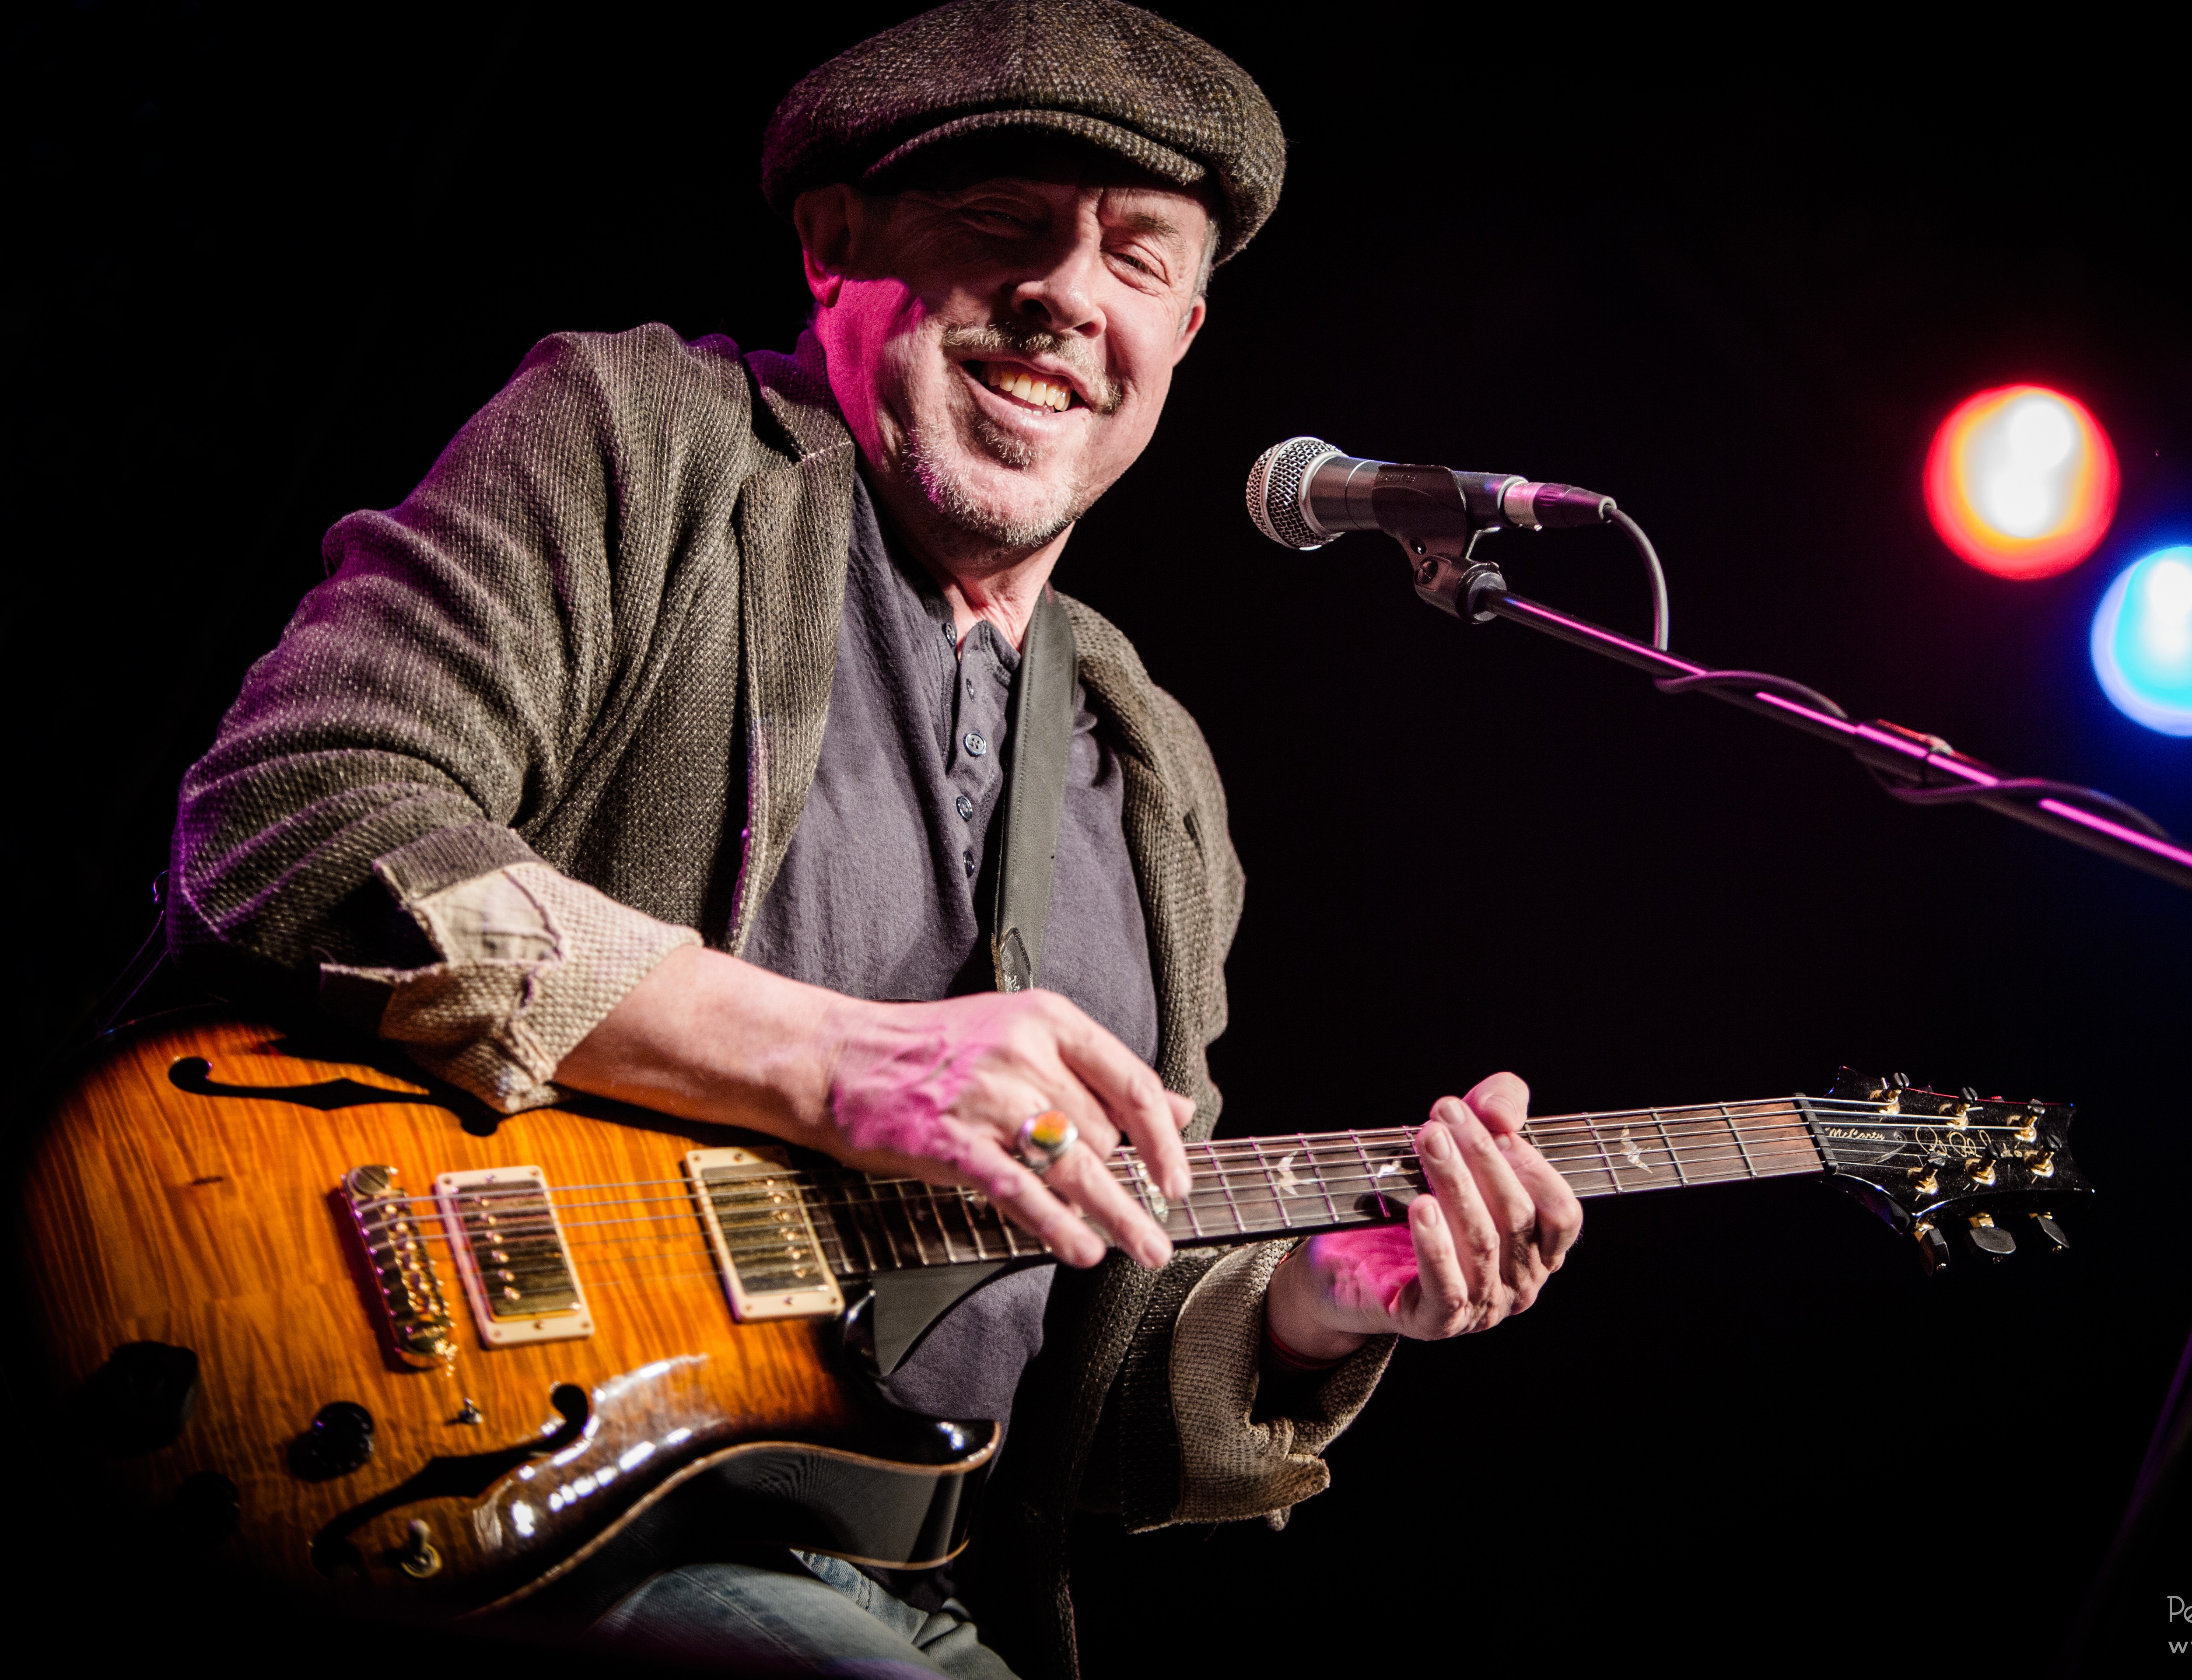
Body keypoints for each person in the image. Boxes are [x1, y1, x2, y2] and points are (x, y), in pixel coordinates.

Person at [167, 3, 1580, 1674]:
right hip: (472, 1468)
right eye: (1003, 222)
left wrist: (1311, 1309)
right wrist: (838, 1064)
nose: (1068, 294)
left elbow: (1083, 1378)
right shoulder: (645, 439)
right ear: (834, 243)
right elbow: (298, 813)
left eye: (1136, 257)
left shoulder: (1160, 775)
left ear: (1183, 333)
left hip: (904, 1590)